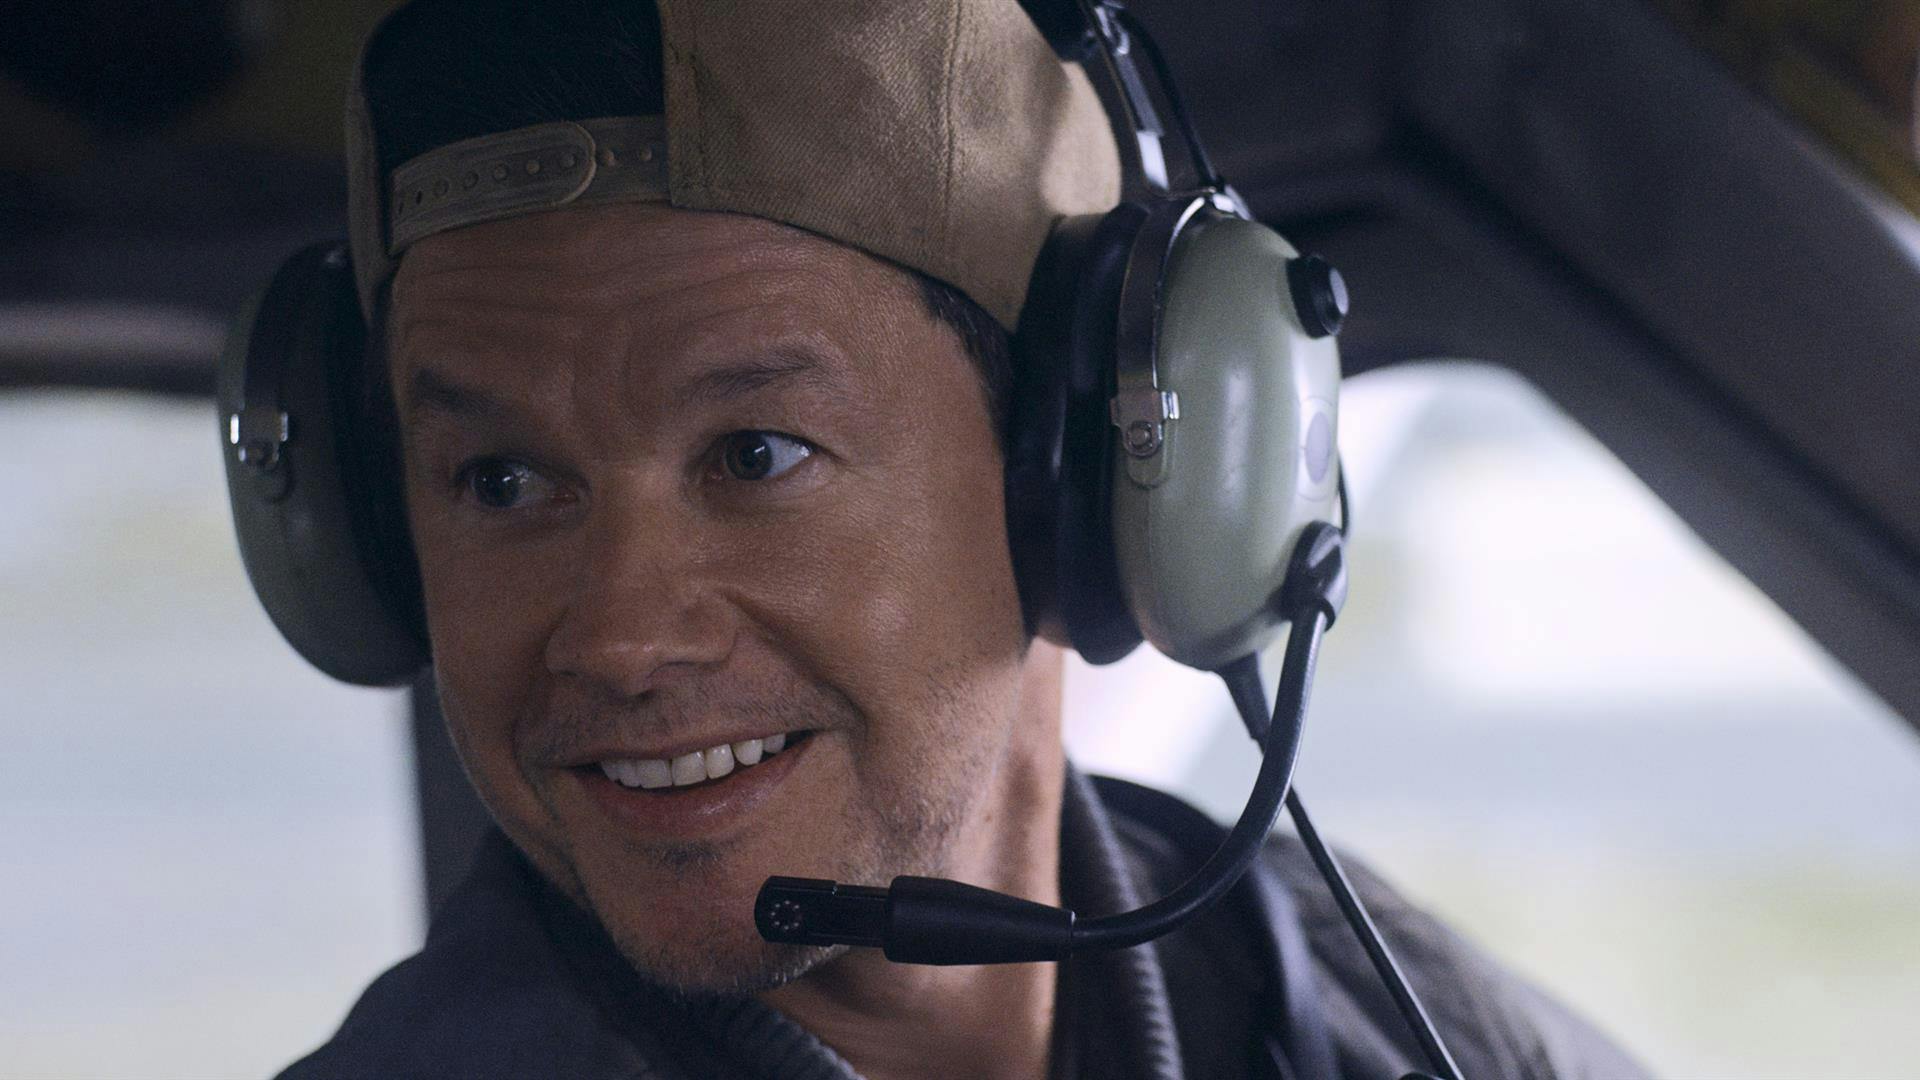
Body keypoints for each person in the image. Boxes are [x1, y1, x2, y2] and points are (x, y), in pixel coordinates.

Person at [277, 1, 1649, 1077]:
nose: (624, 636)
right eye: (501, 483)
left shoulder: (1395, 1014)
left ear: (1090, 474)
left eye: (756, 455)